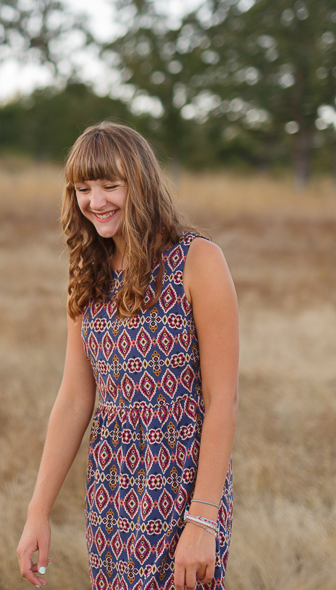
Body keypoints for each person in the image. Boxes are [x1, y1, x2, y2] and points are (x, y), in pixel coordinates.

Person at [16, 122, 238, 590]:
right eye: (83, 188)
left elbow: (223, 401)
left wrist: (203, 520)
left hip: (181, 487)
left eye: (110, 186)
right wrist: (38, 512)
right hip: (111, 488)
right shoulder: (88, 274)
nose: (95, 202)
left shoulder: (197, 261)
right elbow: (75, 399)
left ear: (140, 183)